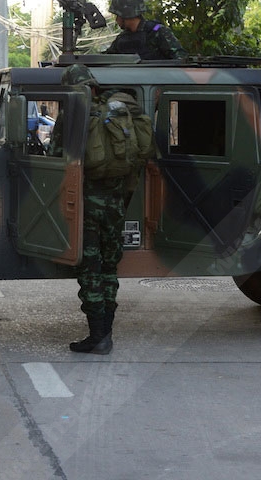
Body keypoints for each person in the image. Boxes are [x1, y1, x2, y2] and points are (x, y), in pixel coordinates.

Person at [55, 64, 152, 355]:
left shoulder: (75, 117)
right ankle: (105, 331)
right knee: (109, 269)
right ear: (94, 86)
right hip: (116, 202)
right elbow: (140, 154)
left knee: (91, 271)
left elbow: (56, 156)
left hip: (87, 205)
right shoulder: (120, 112)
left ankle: (98, 336)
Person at [103, 0, 189, 61]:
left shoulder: (157, 31)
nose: (116, 20)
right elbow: (105, 60)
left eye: (117, 15)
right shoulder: (122, 39)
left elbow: (181, 59)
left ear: (125, 14)